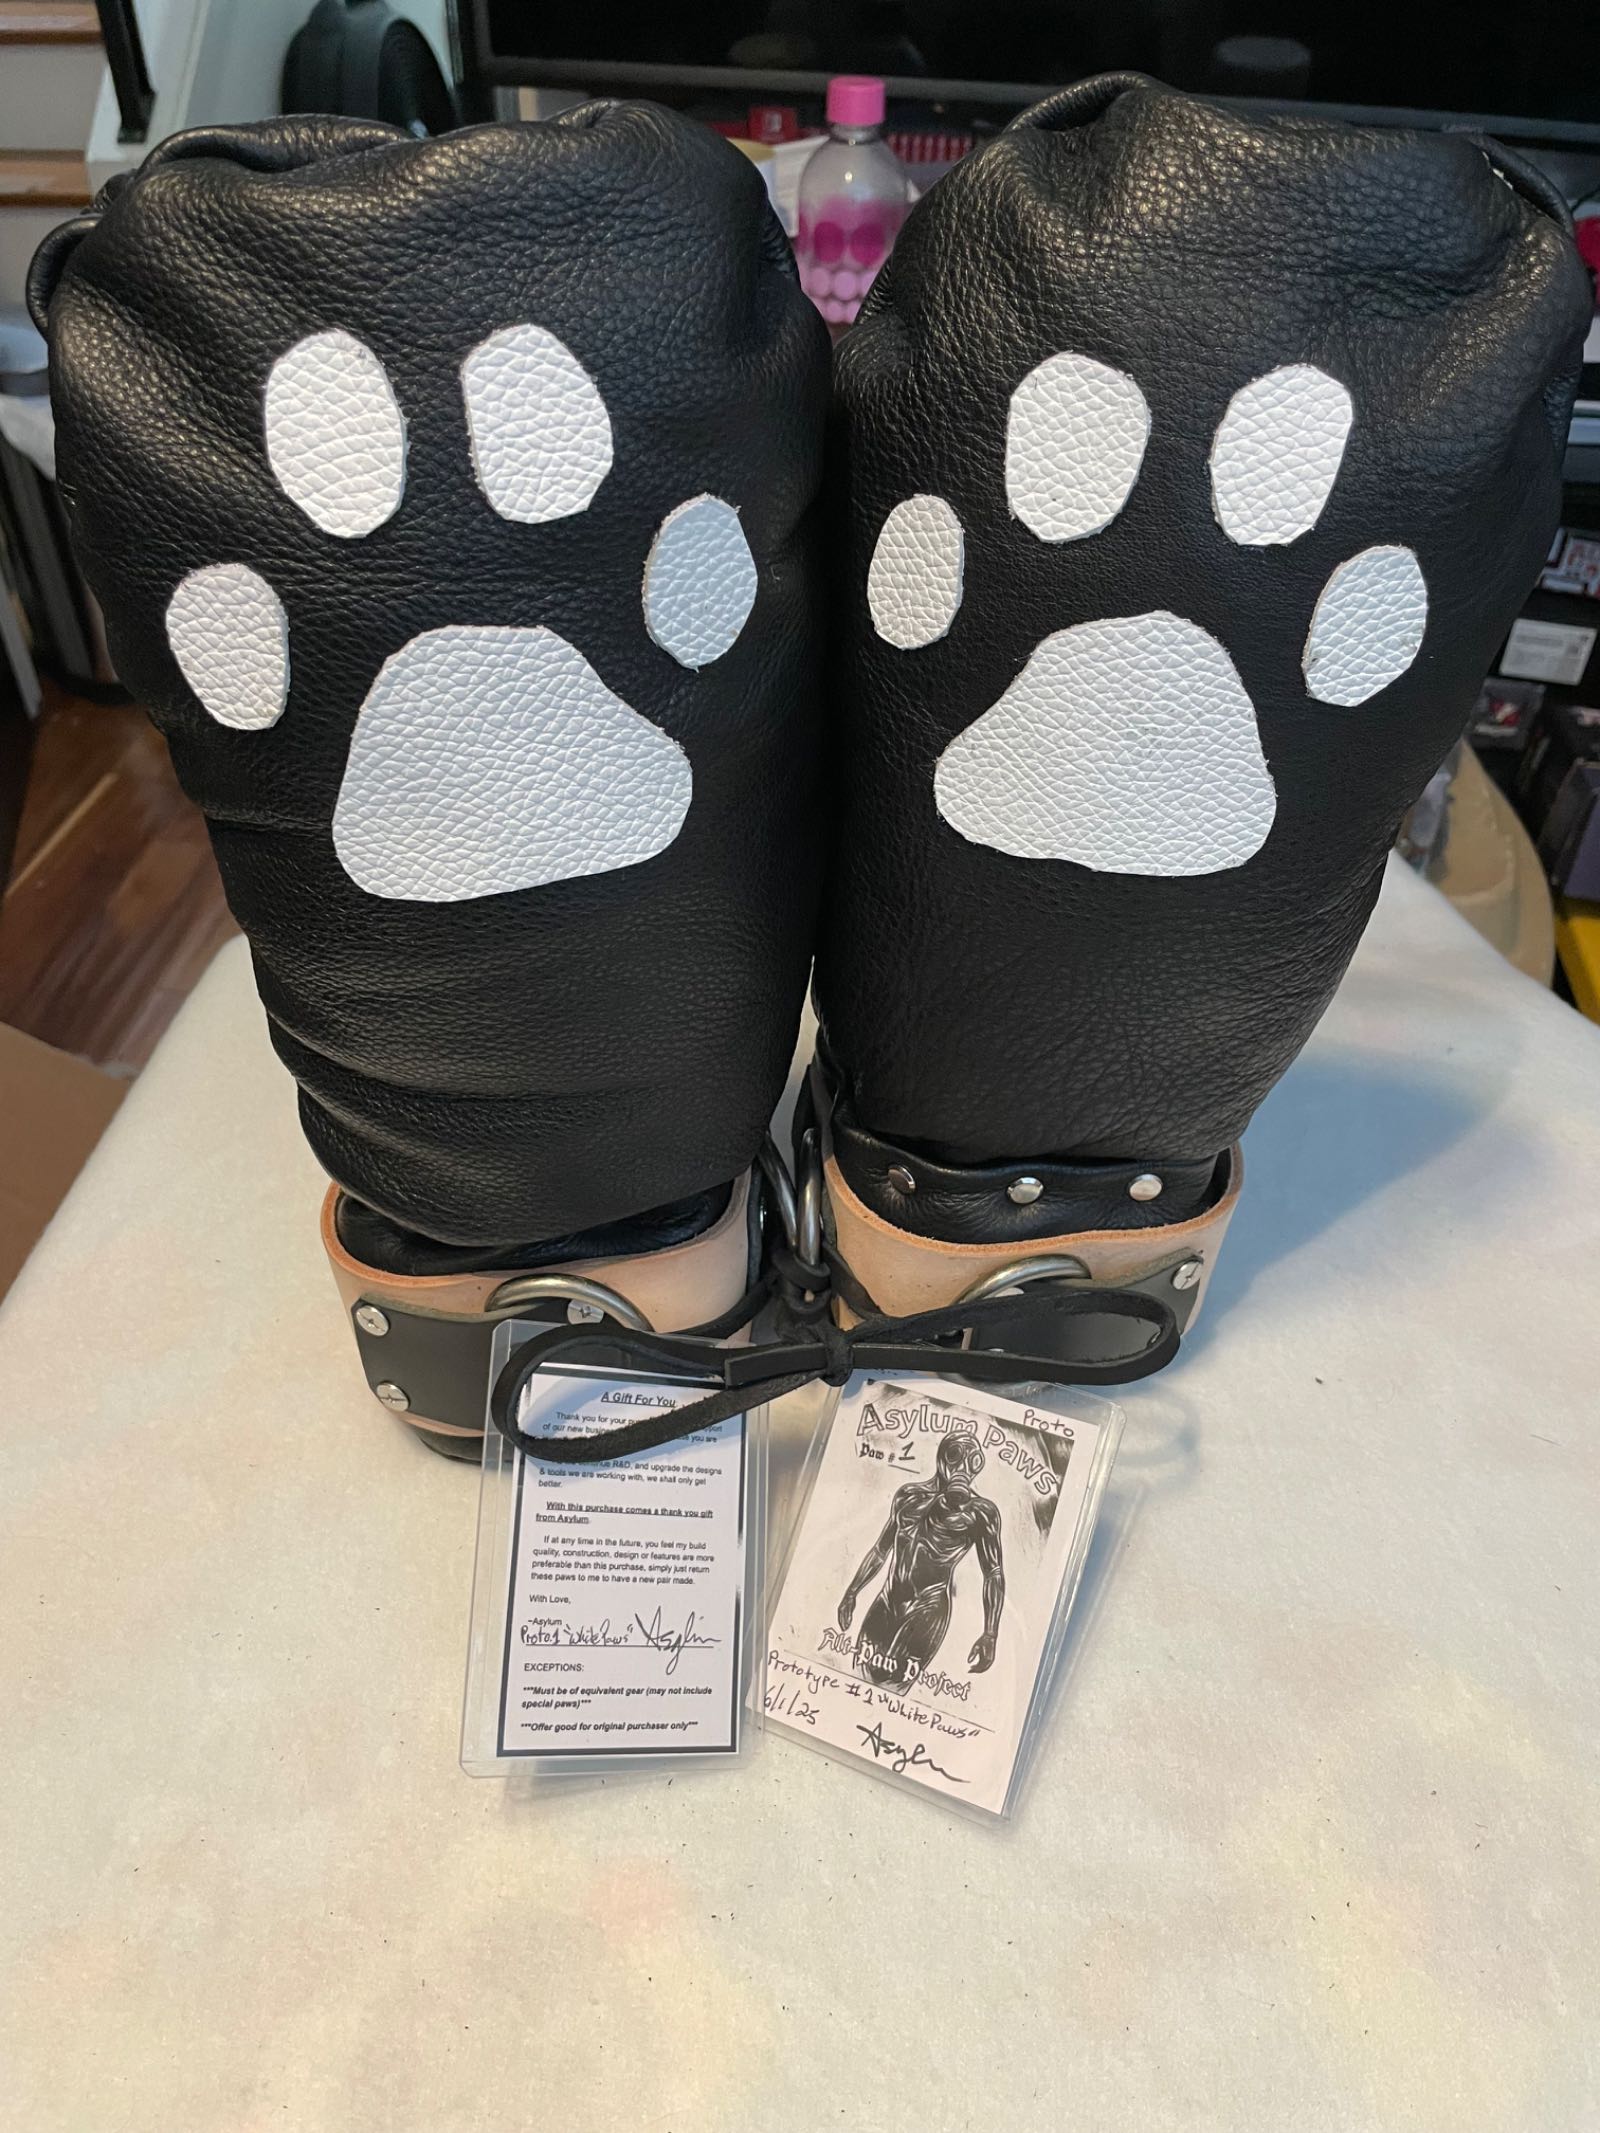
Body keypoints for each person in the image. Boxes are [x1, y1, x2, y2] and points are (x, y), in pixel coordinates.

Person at [837, 1430, 1005, 1687]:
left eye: (973, 1461)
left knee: (892, 1687)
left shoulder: (980, 1513)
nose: (962, 1468)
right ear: (942, 1458)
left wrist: (990, 1633)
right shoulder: (908, 1496)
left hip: (929, 1608)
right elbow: (881, 1550)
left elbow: (993, 1573)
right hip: (888, 1600)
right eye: (955, 1456)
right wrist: (852, 1592)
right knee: (859, 1678)